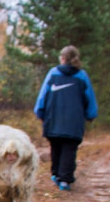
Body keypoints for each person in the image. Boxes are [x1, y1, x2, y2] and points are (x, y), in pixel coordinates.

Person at [34, 45, 98, 191]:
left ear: (62, 58)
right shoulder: (82, 76)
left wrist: (40, 112)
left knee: (55, 147)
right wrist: (91, 114)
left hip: (53, 118)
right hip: (74, 121)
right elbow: (90, 98)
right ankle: (64, 179)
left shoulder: (53, 73)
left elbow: (43, 95)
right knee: (69, 149)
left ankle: (56, 174)